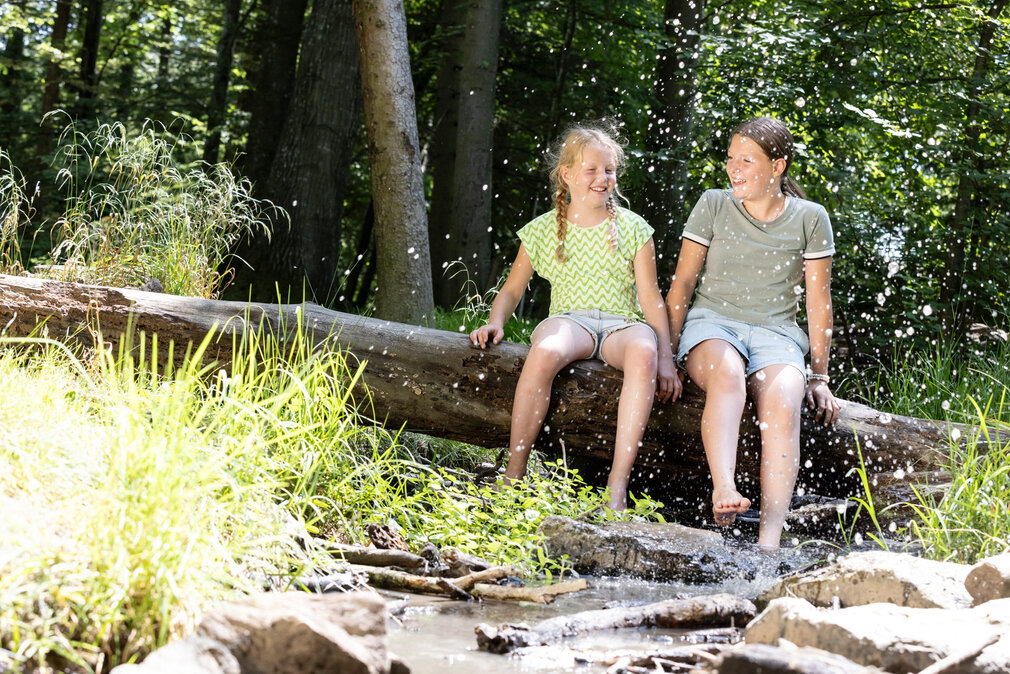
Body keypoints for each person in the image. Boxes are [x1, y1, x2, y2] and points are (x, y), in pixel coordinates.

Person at [470, 123, 677, 510]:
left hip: (622, 324)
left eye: (610, 170)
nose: (603, 178)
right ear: (567, 174)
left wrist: (666, 356)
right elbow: (513, 288)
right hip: (571, 320)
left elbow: (650, 298)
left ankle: (617, 486)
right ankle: (513, 474)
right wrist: (495, 320)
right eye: (592, 170)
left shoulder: (634, 229)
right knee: (546, 349)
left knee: (644, 352)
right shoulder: (545, 229)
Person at [666, 117, 841, 548]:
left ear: (777, 166)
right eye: (731, 159)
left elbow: (819, 305)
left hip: (777, 334)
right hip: (713, 324)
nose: (734, 169)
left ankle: (769, 542)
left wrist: (819, 377)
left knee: (784, 400)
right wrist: (666, 357)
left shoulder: (811, 218)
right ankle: (724, 489)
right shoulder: (713, 204)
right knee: (727, 374)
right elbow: (683, 284)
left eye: (747, 160)